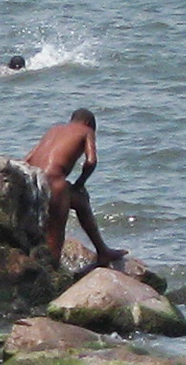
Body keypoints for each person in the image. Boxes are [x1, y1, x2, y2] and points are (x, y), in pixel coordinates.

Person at [24, 108, 127, 267]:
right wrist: (80, 183)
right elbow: (91, 161)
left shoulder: (55, 130)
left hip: (32, 178)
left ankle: (103, 251)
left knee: (80, 201)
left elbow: (28, 158)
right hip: (54, 183)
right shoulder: (86, 130)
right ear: (88, 124)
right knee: (55, 238)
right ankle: (52, 277)